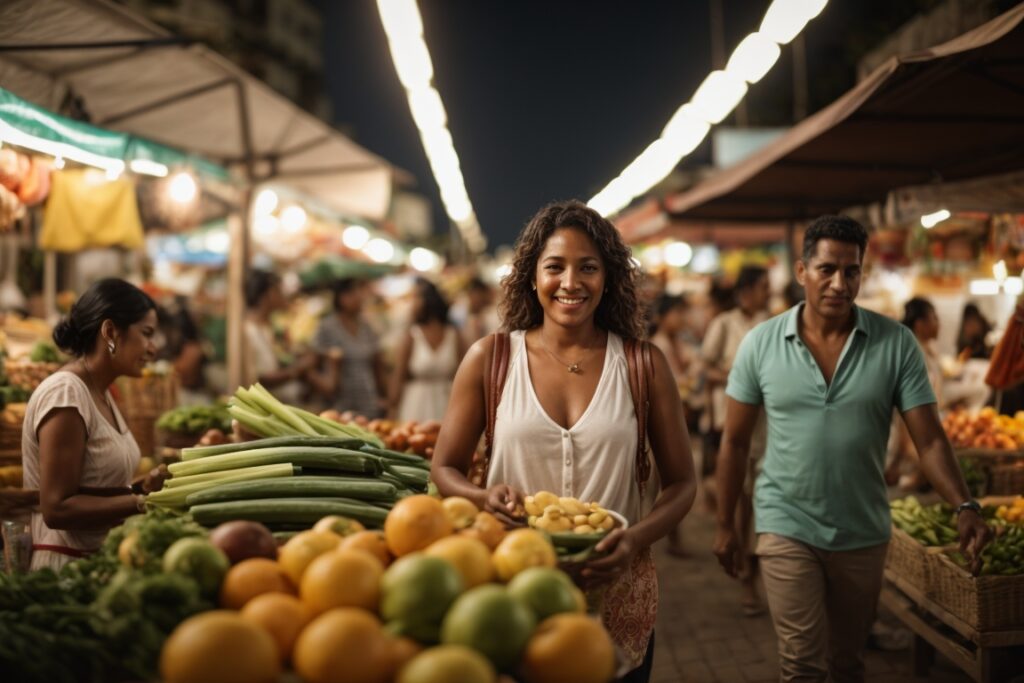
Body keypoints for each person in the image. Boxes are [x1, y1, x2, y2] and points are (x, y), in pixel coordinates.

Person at [712, 215, 991, 683]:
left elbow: (929, 439)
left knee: (848, 662)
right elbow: (735, 442)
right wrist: (725, 526)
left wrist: (963, 504)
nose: (840, 284)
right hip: (786, 523)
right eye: (827, 270)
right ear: (802, 272)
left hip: (863, 530)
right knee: (801, 665)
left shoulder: (896, 344)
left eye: (852, 271)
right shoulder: (760, 344)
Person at [431, 200, 697, 682]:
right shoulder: (490, 359)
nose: (571, 283)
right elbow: (444, 467)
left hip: (618, 594)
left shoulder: (643, 365)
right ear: (532, 277)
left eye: (588, 268)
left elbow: (682, 483)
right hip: (512, 591)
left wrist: (633, 538)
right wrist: (480, 496)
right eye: (555, 267)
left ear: (609, 279)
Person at [23, 278, 171, 570]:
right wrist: (142, 502)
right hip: (63, 571)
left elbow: (94, 486)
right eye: (146, 333)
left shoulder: (101, 394)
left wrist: (143, 488)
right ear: (110, 331)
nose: (153, 349)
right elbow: (57, 507)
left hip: (95, 565)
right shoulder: (66, 393)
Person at [702, 265, 771, 616]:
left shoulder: (772, 324)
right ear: (745, 292)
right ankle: (747, 580)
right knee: (742, 506)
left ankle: (759, 576)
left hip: (767, 426)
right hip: (732, 421)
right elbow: (706, 368)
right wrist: (737, 377)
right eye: (762, 287)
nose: (767, 294)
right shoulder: (724, 324)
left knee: (759, 506)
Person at [389, 278, 466, 422]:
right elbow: (399, 375)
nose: (412, 303)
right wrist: (392, 407)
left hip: (447, 402)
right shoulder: (412, 335)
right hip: (416, 405)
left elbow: (465, 376)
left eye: (416, 297)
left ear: (428, 301)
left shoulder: (455, 336)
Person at [312, 278, 387, 418]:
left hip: (367, 400)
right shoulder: (327, 327)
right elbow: (312, 363)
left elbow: (377, 364)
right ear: (341, 298)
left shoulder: (366, 327)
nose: (359, 298)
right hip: (339, 403)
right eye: (353, 294)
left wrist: (383, 395)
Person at [243, 269, 314, 405]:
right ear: (269, 294)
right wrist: (299, 369)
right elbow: (260, 379)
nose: (284, 296)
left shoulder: (273, 327)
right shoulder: (249, 332)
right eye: (279, 290)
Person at [460, 276, 498, 345]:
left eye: (477, 294)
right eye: (471, 294)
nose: (475, 299)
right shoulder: (464, 316)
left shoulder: (493, 315)